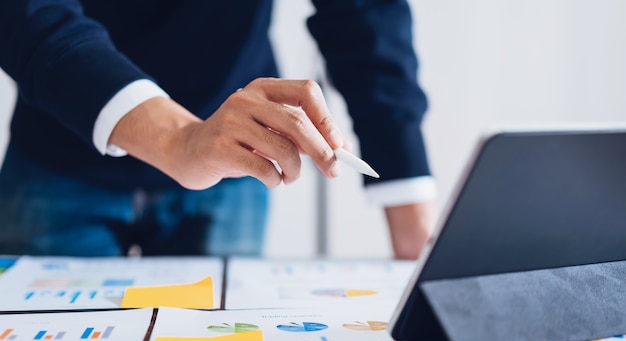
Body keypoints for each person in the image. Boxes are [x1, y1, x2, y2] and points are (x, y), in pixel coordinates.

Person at [0, 0, 436, 259]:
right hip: (61, 143)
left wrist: (409, 211)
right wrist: (176, 139)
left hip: (232, 157)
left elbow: (364, 14)